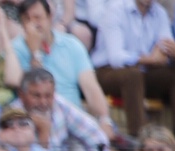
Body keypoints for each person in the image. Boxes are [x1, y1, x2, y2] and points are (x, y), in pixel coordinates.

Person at [13, 0, 114, 135]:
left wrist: (104, 119)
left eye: (38, 18)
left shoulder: (71, 44)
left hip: (74, 121)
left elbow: (91, 87)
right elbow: (35, 88)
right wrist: (35, 53)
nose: (33, 25)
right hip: (37, 121)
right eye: (27, 20)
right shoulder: (15, 48)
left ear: (50, 18)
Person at [93, 0, 175, 139]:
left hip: (144, 71)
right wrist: (150, 59)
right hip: (108, 71)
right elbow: (116, 57)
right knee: (132, 75)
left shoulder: (160, 13)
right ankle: (140, 138)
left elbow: (167, 47)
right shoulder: (115, 10)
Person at [12, 66, 109, 151]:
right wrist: (44, 131)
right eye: (36, 96)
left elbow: (96, 136)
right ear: (21, 94)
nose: (43, 102)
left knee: (81, 149)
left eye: (48, 96)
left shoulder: (60, 105)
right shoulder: (11, 116)